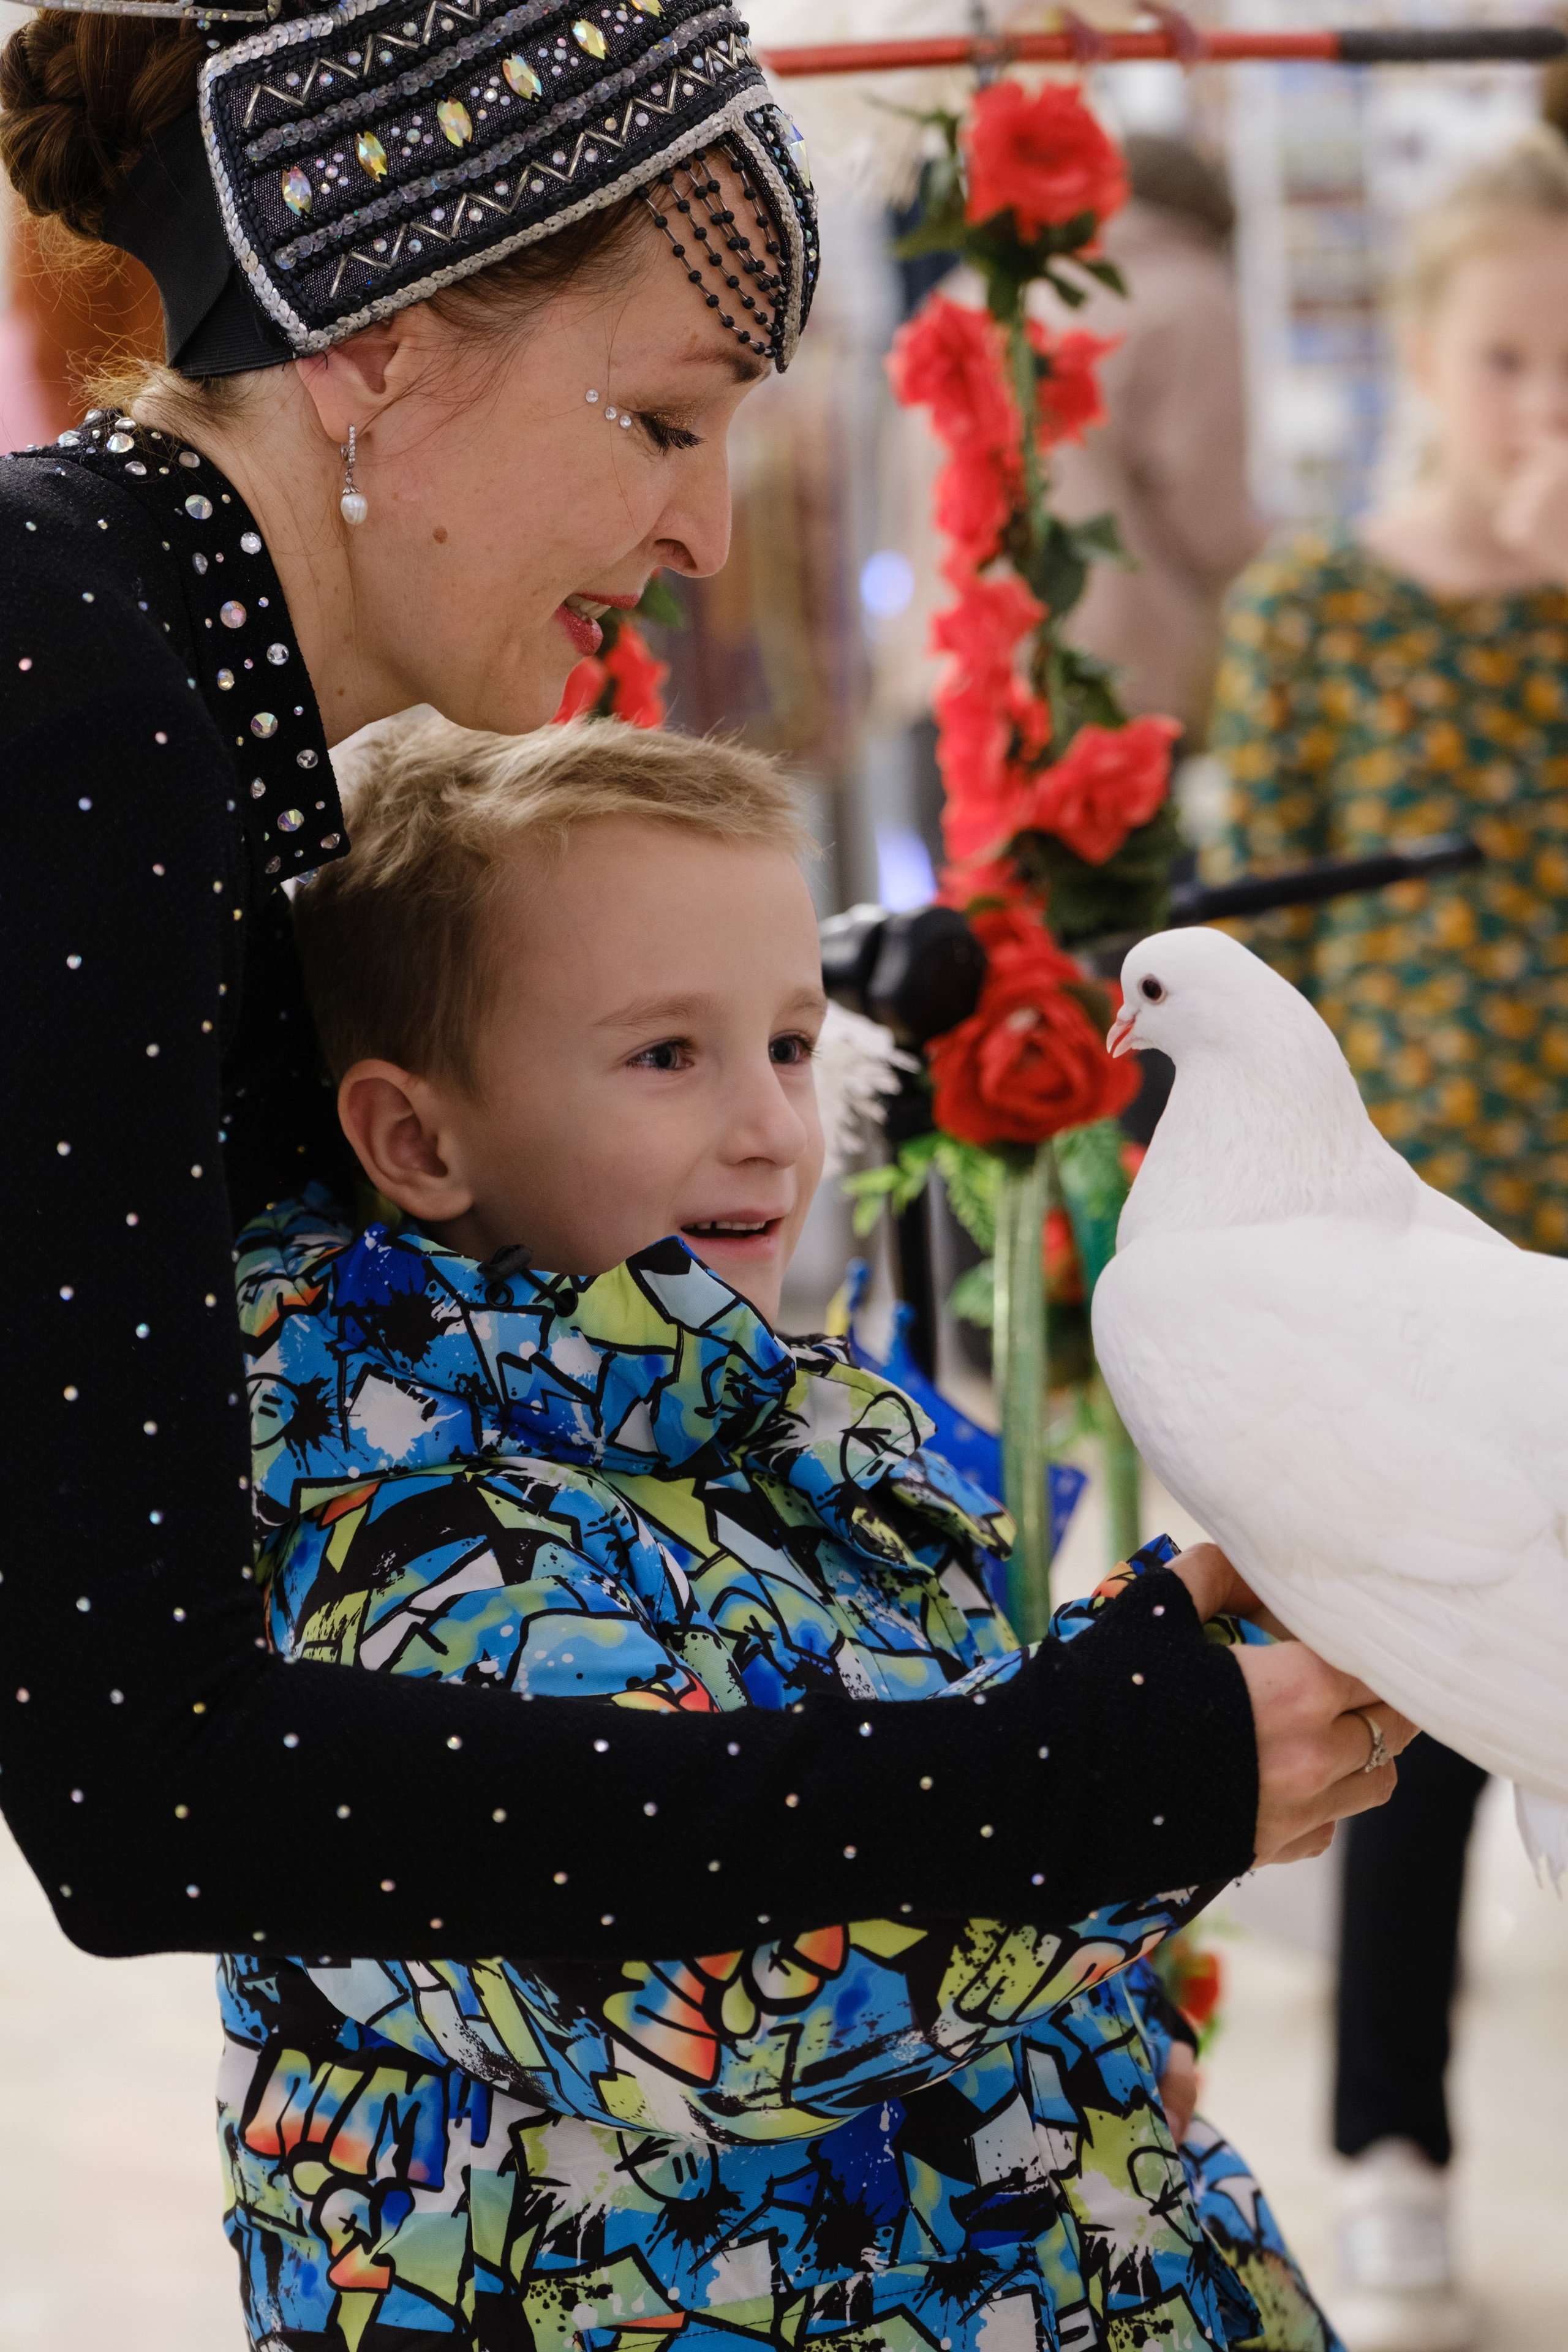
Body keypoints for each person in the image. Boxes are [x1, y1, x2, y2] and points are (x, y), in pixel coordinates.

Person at [0, 0, 1404, 1983]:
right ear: (373, 345)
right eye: (661, 420)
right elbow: (151, 1793)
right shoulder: (91, 708)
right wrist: (1041, 1782)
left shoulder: (146, 675)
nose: (707, 530)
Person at [224, 706, 1349, 2346]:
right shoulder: (404, 1552)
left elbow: (930, 1765)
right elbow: (715, 1998)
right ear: (419, 1136)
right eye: (666, 1055)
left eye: (791, 1044)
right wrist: (1156, 1785)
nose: (769, 1126)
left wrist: (1173, 1671)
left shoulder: (761, 1415)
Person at [1209, 129, 1568, 2352]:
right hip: (1406, 1278)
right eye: (1506, 354)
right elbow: (1246, 920)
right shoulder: (1317, 614)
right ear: (1420, 364)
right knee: (1414, 1718)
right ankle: (1392, 2142)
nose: (1541, 399)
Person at [1049, 132, 1266, 746]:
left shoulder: (988, 284)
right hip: (1113, 673)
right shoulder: (1188, 293)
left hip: (956, 679)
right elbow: (1208, 513)